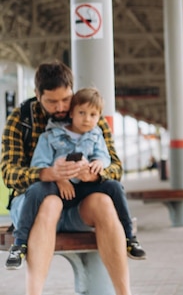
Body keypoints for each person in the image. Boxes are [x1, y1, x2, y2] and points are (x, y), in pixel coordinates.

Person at [0, 61, 133, 295]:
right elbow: (8, 174)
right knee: (51, 202)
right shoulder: (20, 119)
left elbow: (116, 168)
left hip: (78, 204)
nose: (61, 107)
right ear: (37, 95)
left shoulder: (88, 114)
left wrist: (94, 174)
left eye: (65, 99)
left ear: (72, 90)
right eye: (52, 101)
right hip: (34, 204)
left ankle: (124, 293)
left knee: (103, 202)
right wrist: (46, 173)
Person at [6, 87, 146, 271]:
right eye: (82, 113)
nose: (87, 118)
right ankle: (19, 244)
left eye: (93, 115)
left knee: (114, 187)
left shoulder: (96, 134)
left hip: (83, 188)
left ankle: (130, 238)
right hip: (56, 187)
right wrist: (59, 178)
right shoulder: (50, 135)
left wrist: (98, 167)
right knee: (35, 190)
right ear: (72, 113)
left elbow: (106, 158)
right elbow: (39, 164)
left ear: (98, 117)